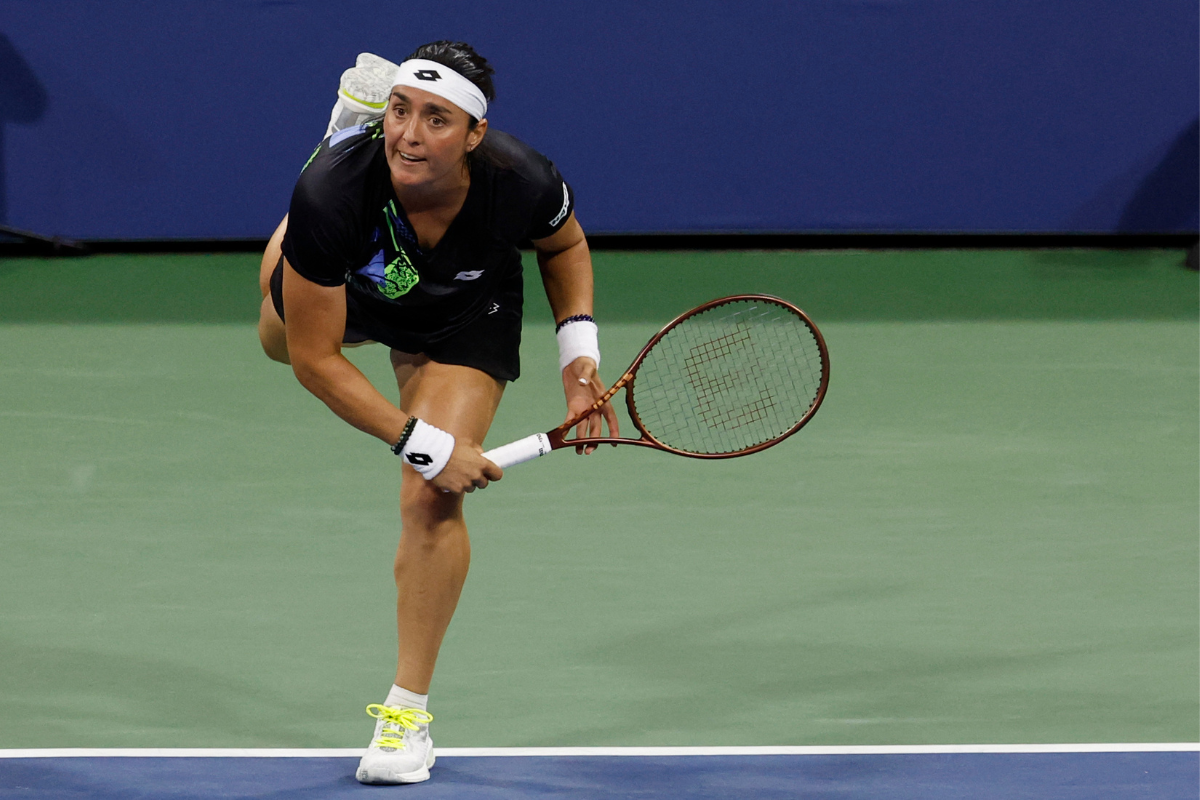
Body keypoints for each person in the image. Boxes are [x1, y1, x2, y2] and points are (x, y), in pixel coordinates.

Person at [256, 41, 618, 784]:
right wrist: (420, 440)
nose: (410, 135)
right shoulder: (337, 194)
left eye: (435, 119)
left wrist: (578, 361)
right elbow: (315, 361)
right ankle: (337, 133)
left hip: (466, 311)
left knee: (430, 499)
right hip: (363, 278)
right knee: (274, 322)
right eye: (396, 112)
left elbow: (564, 246)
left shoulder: (522, 179)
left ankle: (405, 716)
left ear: (474, 136)